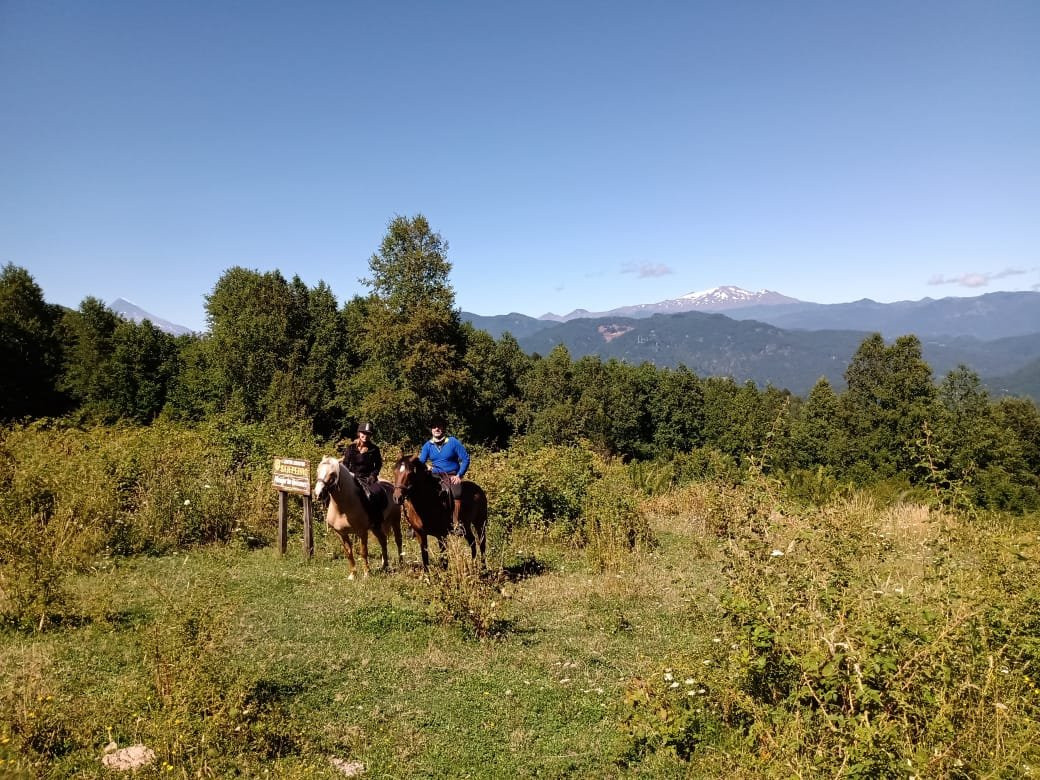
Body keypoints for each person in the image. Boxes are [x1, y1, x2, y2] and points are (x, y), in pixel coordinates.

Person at [417, 416, 470, 535]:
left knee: (456, 492)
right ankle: (417, 524)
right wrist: (426, 466)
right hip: (434, 476)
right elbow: (420, 463)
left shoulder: (453, 442)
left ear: (443, 428)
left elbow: (465, 459)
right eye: (434, 427)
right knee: (420, 491)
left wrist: (459, 475)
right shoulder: (428, 445)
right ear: (431, 429)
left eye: (439, 426)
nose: (437, 429)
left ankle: (457, 524)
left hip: (451, 475)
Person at [342, 421, 384, 522]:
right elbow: (345, 464)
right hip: (352, 477)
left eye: (368, 434)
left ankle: (376, 519)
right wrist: (348, 475)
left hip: (368, 478)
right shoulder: (351, 448)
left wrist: (373, 475)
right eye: (363, 433)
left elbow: (378, 465)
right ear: (359, 433)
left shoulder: (374, 449)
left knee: (376, 493)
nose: (365, 436)